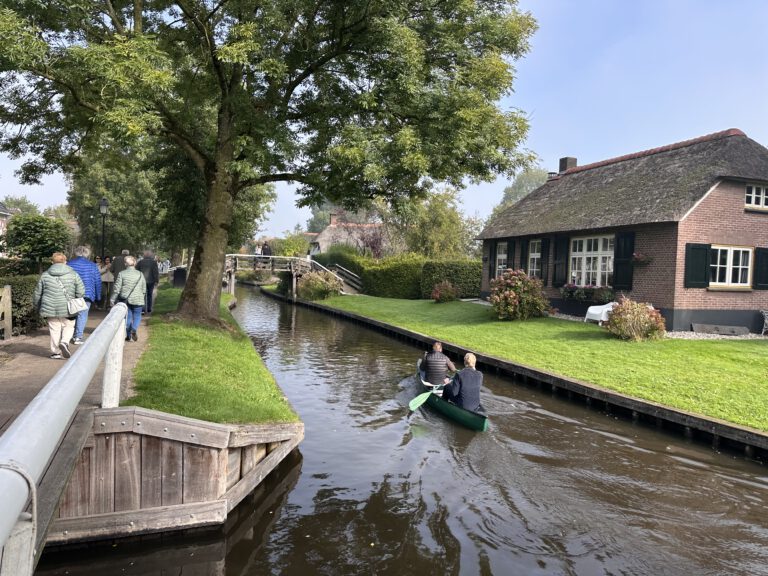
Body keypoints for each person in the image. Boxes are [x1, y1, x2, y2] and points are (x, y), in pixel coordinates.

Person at [33, 252, 84, 359]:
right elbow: (81, 292)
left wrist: (36, 306)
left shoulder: (45, 275)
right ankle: (65, 342)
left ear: (52, 261)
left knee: (54, 329)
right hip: (68, 307)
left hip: (50, 307)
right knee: (69, 326)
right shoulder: (73, 274)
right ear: (65, 261)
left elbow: (37, 293)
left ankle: (55, 352)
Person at [68, 245, 101, 345]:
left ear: (76, 253)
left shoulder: (69, 264)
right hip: (87, 293)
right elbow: (97, 281)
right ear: (87, 254)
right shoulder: (92, 265)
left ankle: (68, 335)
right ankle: (77, 337)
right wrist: (98, 296)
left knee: (71, 314)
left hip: (72, 293)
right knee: (82, 314)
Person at [111, 255, 147, 342]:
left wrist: (112, 299)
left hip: (125, 299)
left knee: (128, 317)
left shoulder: (122, 274)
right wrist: (141, 296)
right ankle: (134, 329)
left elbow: (117, 288)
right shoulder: (140, 274)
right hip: (138, 299)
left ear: (125, 264)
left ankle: (128, 336)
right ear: (134, 263)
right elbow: (144, 288)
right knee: (137, 316)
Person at [136, 249, 160, 314]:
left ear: (144, 255)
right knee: (150, 295)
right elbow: (155, 272)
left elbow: (136, 271)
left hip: (141, 281)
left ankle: (143, 309)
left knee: (142, 295)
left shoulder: (140, 262)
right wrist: (156, 280)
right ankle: (149, 308)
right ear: (151, 255)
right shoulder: (153, 262)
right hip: (151, 281)